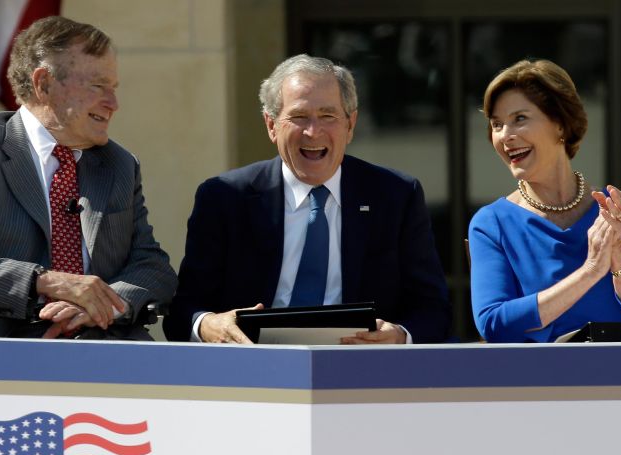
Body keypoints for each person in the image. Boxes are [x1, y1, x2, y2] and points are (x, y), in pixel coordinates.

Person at [0, 16, 177, 339]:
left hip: (107, 353)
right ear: (44, 84)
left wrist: (103, 304)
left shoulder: (118, 164)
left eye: (114, 88)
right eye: (97, 86)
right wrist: (49, 281)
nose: (113, 103)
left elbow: (152, 265)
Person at [163, 54, 451, 344]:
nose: (313, 132)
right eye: (299, 117)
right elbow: (183, 311)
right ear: (271, 125)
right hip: (255, 368)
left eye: (328, 116)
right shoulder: (224, 198)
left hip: (361, 368)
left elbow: (433, 309)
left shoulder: (396, 196)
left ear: (351, 124)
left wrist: (399, 336)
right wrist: (209, 325)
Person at [468, 59, 621, 343]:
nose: (505, 136)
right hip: (544, 382)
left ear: (560, 124)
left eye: (520, 119)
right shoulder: (491, 224)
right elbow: (494, 324)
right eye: (497, 124)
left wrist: (617, 252)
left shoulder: (620, 209)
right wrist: (589, 272)